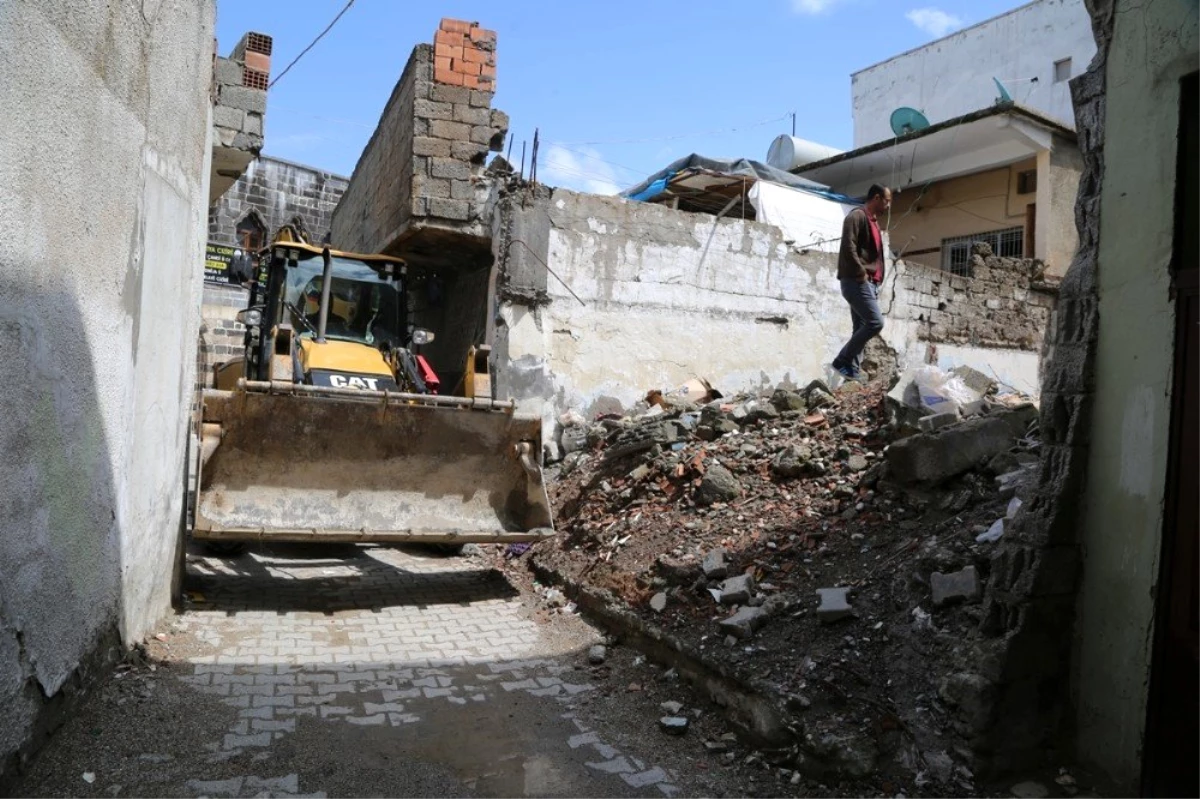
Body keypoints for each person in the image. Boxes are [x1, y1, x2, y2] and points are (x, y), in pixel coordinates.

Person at [832, 184, 892, 381]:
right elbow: (848, 246)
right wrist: (861, 273)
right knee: (875, 322)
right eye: (887, 200)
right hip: (856, 281)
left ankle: (852, 371)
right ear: (876, 198)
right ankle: (842, 360)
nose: (888, 205)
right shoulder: (857, 216)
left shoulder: (873, 222)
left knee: (860, 328)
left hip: (869, 283)